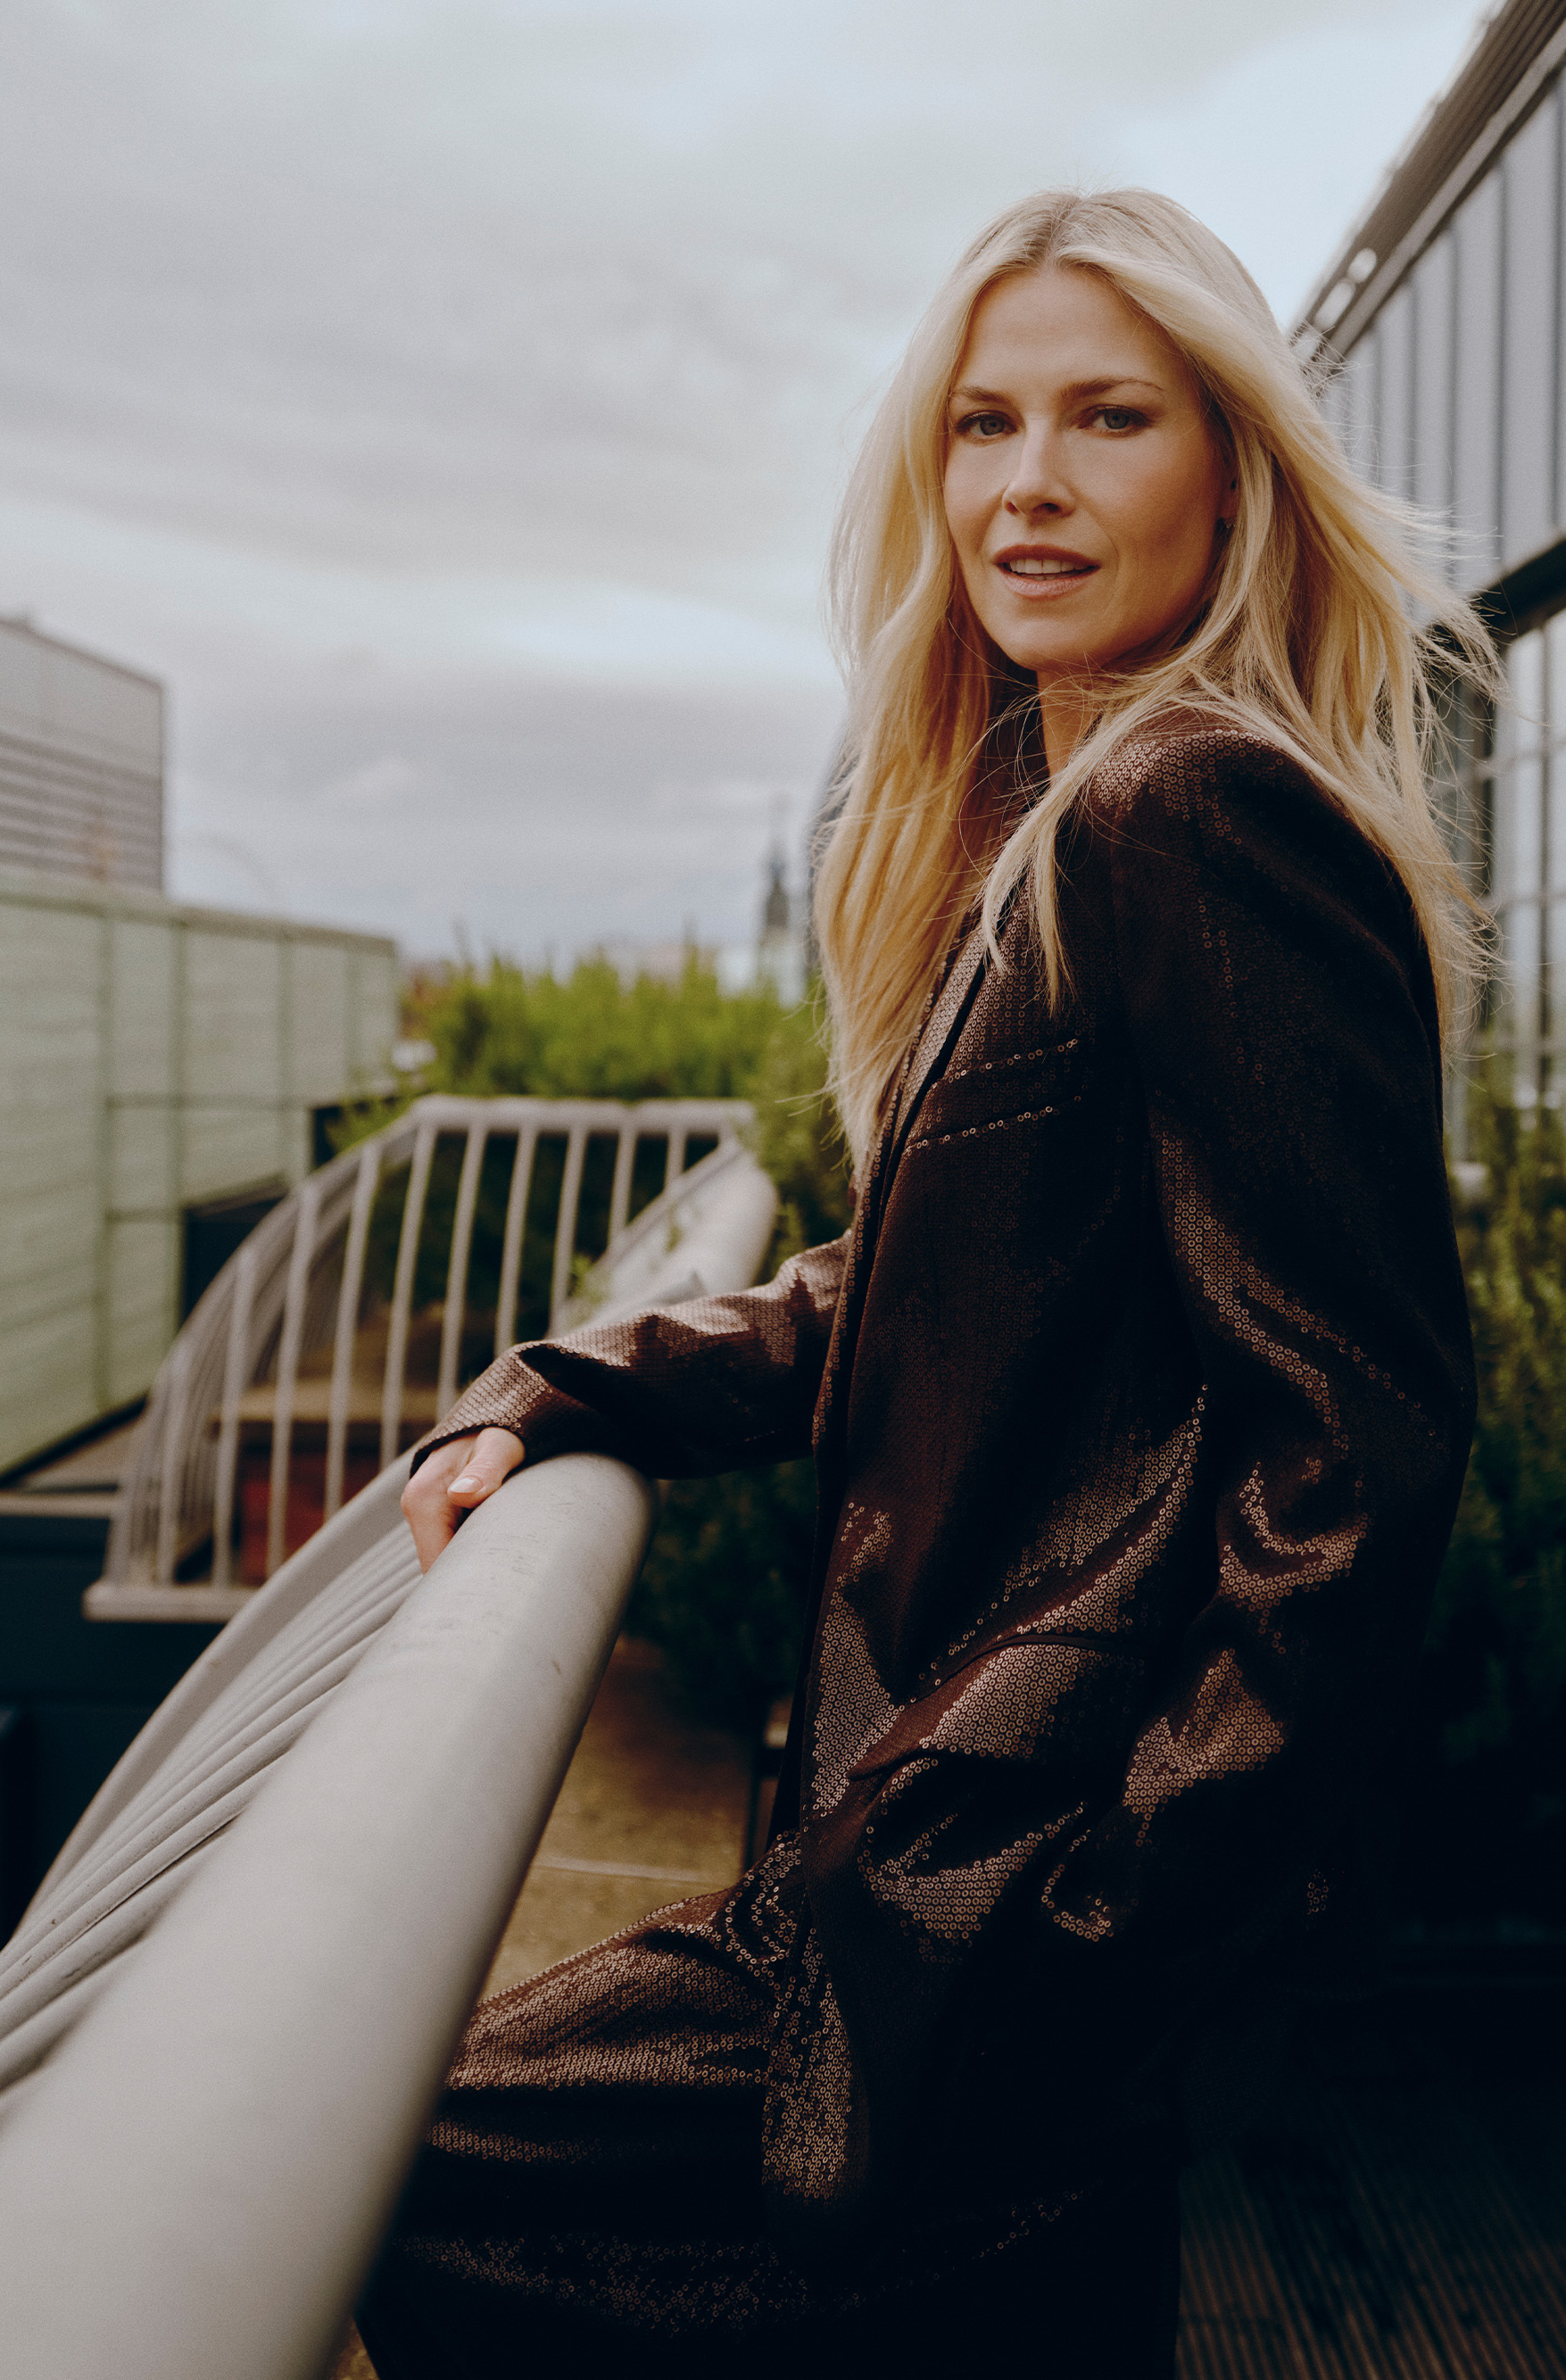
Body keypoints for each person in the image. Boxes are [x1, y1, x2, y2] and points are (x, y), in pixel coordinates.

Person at [358, 187, 1488, 2378]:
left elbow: (1355, 1446)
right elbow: (930, 1275)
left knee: (388, 2158)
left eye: (1107, 416)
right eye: (983, 423)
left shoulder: (1192, 813)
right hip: (953, 1869)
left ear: (1231, 472)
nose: (1026, 482)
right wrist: (577, 1380)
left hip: (1004, 1879)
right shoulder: (1064, 805)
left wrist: (1116, 1909)